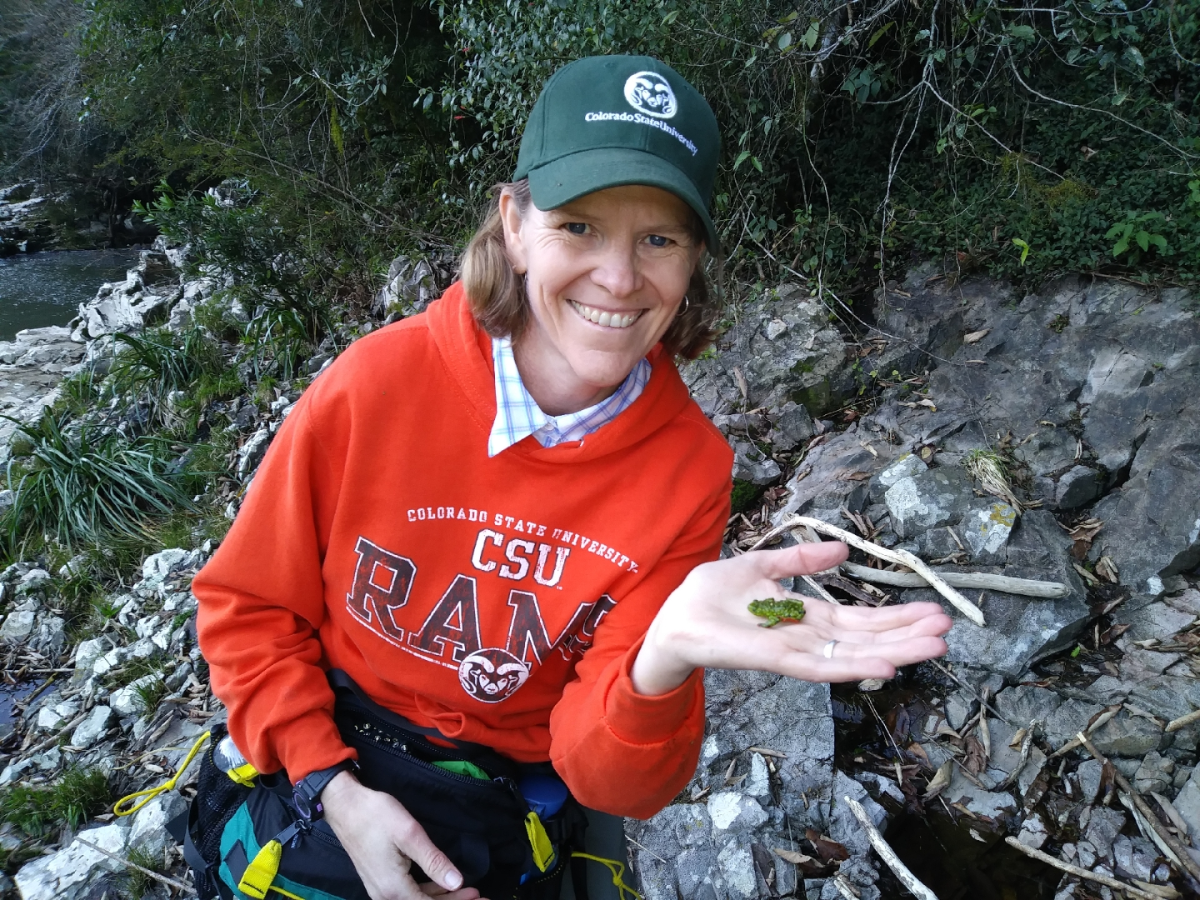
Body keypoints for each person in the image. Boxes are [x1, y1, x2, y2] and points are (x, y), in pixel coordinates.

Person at [192, 54, 951, 900]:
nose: (619, 279)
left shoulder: (690, 470)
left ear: (693, 261)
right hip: (332, 755)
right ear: (514, 224)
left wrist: (658, 661)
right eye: (578, 227)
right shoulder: (375, 384)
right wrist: (328, 789)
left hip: (509, 798)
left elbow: (613, 783)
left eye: (658, 239)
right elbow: (249, 606)